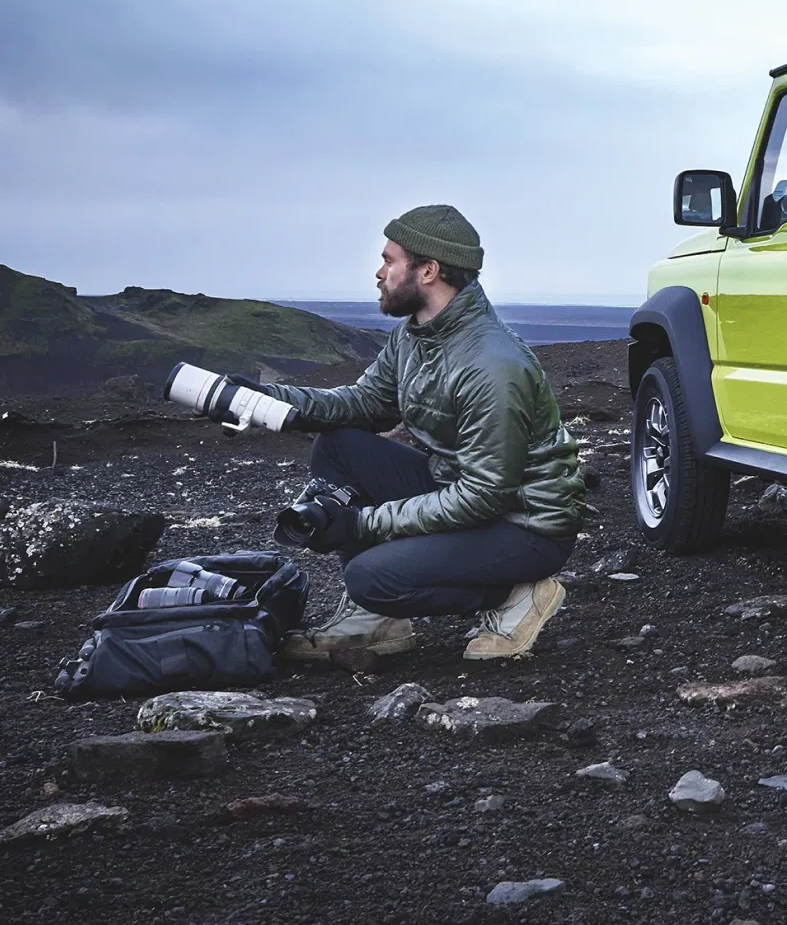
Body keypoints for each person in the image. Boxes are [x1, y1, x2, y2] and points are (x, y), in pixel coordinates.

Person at [249, 204, 590, 661]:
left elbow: (484, 495)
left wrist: (363, 523)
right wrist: (262, 401)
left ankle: (514, 596)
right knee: (339, 445)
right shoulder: (416, 335)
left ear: (428, 270)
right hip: (466, 492)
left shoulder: (491, 365)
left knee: (372, 578)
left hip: (526, 525)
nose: (378, 272)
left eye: (389, 261)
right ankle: (374, 622)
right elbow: (365, 404)